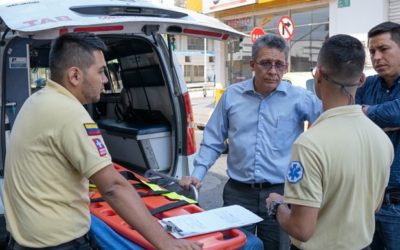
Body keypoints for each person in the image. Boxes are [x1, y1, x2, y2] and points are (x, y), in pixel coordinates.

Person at [2, 32, 203, 250]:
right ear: (75, 76)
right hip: (59, 244)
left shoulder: (37, 100)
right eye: (100, 71)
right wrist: (166, 243)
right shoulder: (69, 114)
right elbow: (114, 188)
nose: (106, 79)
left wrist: (72, 191)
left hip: (23, 239)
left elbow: (42, 169)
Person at [180, 33, 322, 249]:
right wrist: (197, 175)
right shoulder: (231, 96)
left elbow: (329, 124)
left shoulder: (300, 98)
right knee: (236, 246)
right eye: (265, 63)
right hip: (238, 193)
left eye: (279, 64)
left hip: (281, 194)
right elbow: (213, 140)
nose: (273, 71)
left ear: (286, 66)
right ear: (252, 64)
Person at [266, 34, 394, 250]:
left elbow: (301, 229)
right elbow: (374, 205)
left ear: (318, 75)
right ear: (361, 80)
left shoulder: (309, 144)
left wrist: (276, 205)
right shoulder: (381, 138)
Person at [355, 21, 400, 250]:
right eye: (372, 51)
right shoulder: (367, 86)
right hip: (367, 202)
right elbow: (345, 116)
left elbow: (395, 115)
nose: (376, 56)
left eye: (384, 49)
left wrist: (365, 113)